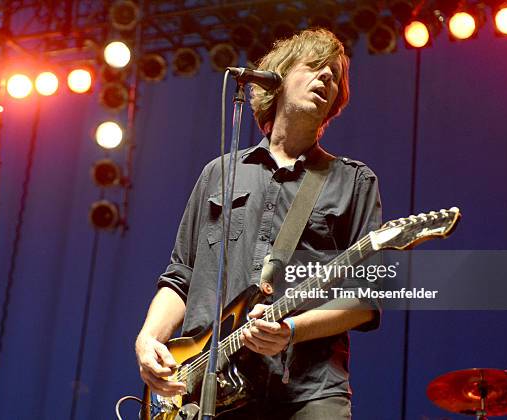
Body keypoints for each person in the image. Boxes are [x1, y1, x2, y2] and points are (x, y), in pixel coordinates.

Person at [135, 28, 382, 419]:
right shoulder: (219, 172)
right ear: (278, 78)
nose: (327, 78)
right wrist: (149, 340)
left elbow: (366, 301)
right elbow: (181, 276)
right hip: (206, 388)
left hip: (307, 390)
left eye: (334, 75)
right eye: (316, 67)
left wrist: (292, 331)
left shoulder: (353, 181)